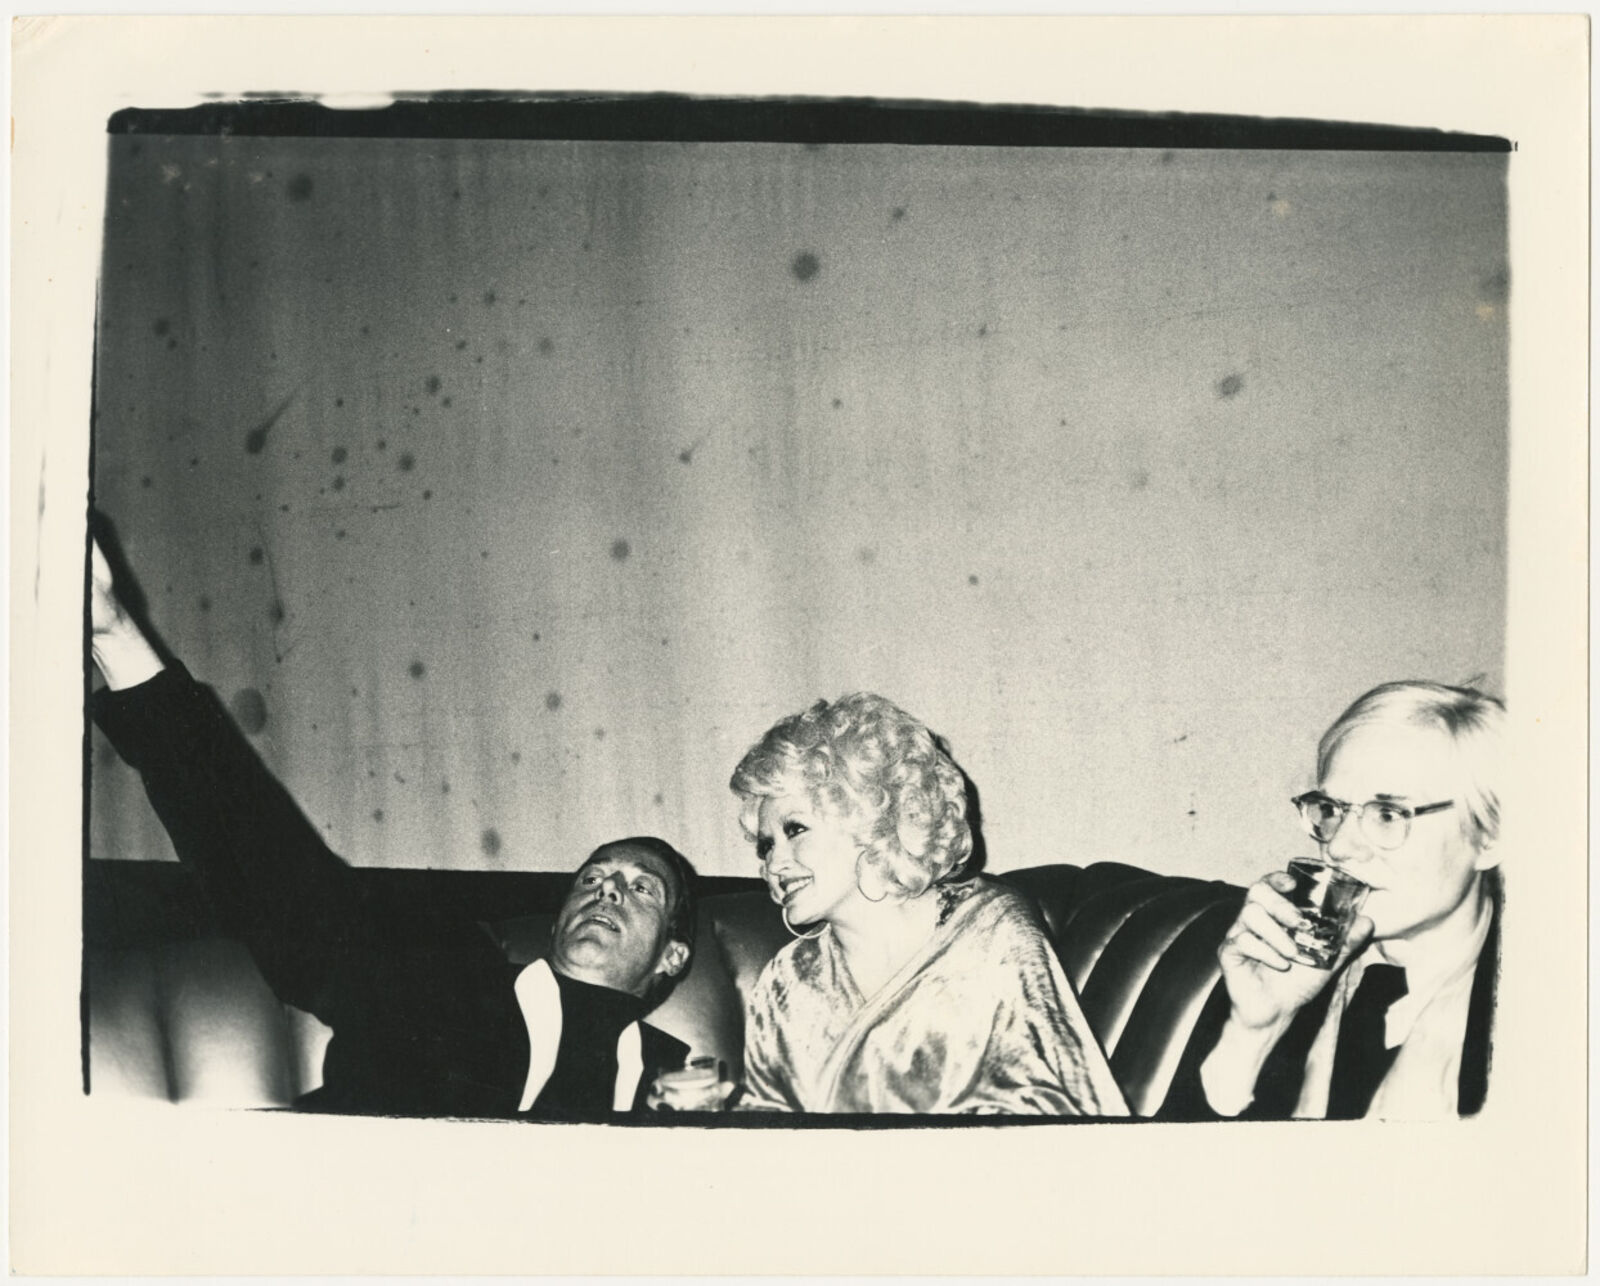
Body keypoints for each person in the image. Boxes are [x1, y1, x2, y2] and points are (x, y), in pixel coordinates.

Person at [89, 538, 697, 1118]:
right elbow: (281, 878)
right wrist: (117, 635)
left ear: (672, 956)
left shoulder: (686, 1097)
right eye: (591, 877)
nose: (606, 889)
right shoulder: (447, 978)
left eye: (642, 887)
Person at [726, 693, 1127, 1115]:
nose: (774, 863)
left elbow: (1053, 1114)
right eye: (766, 845)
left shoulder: (991, 934)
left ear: (868, 821)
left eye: (795, 830)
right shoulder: (787, 980)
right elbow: (763, 1121)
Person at [1162, 680, 1504, 1120]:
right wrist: (1252, 1033)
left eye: (1388, 814)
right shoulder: (1278, 962)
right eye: (1332, 810)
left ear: (1490, 836)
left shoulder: (1551, 1018)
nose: (1339, 847)